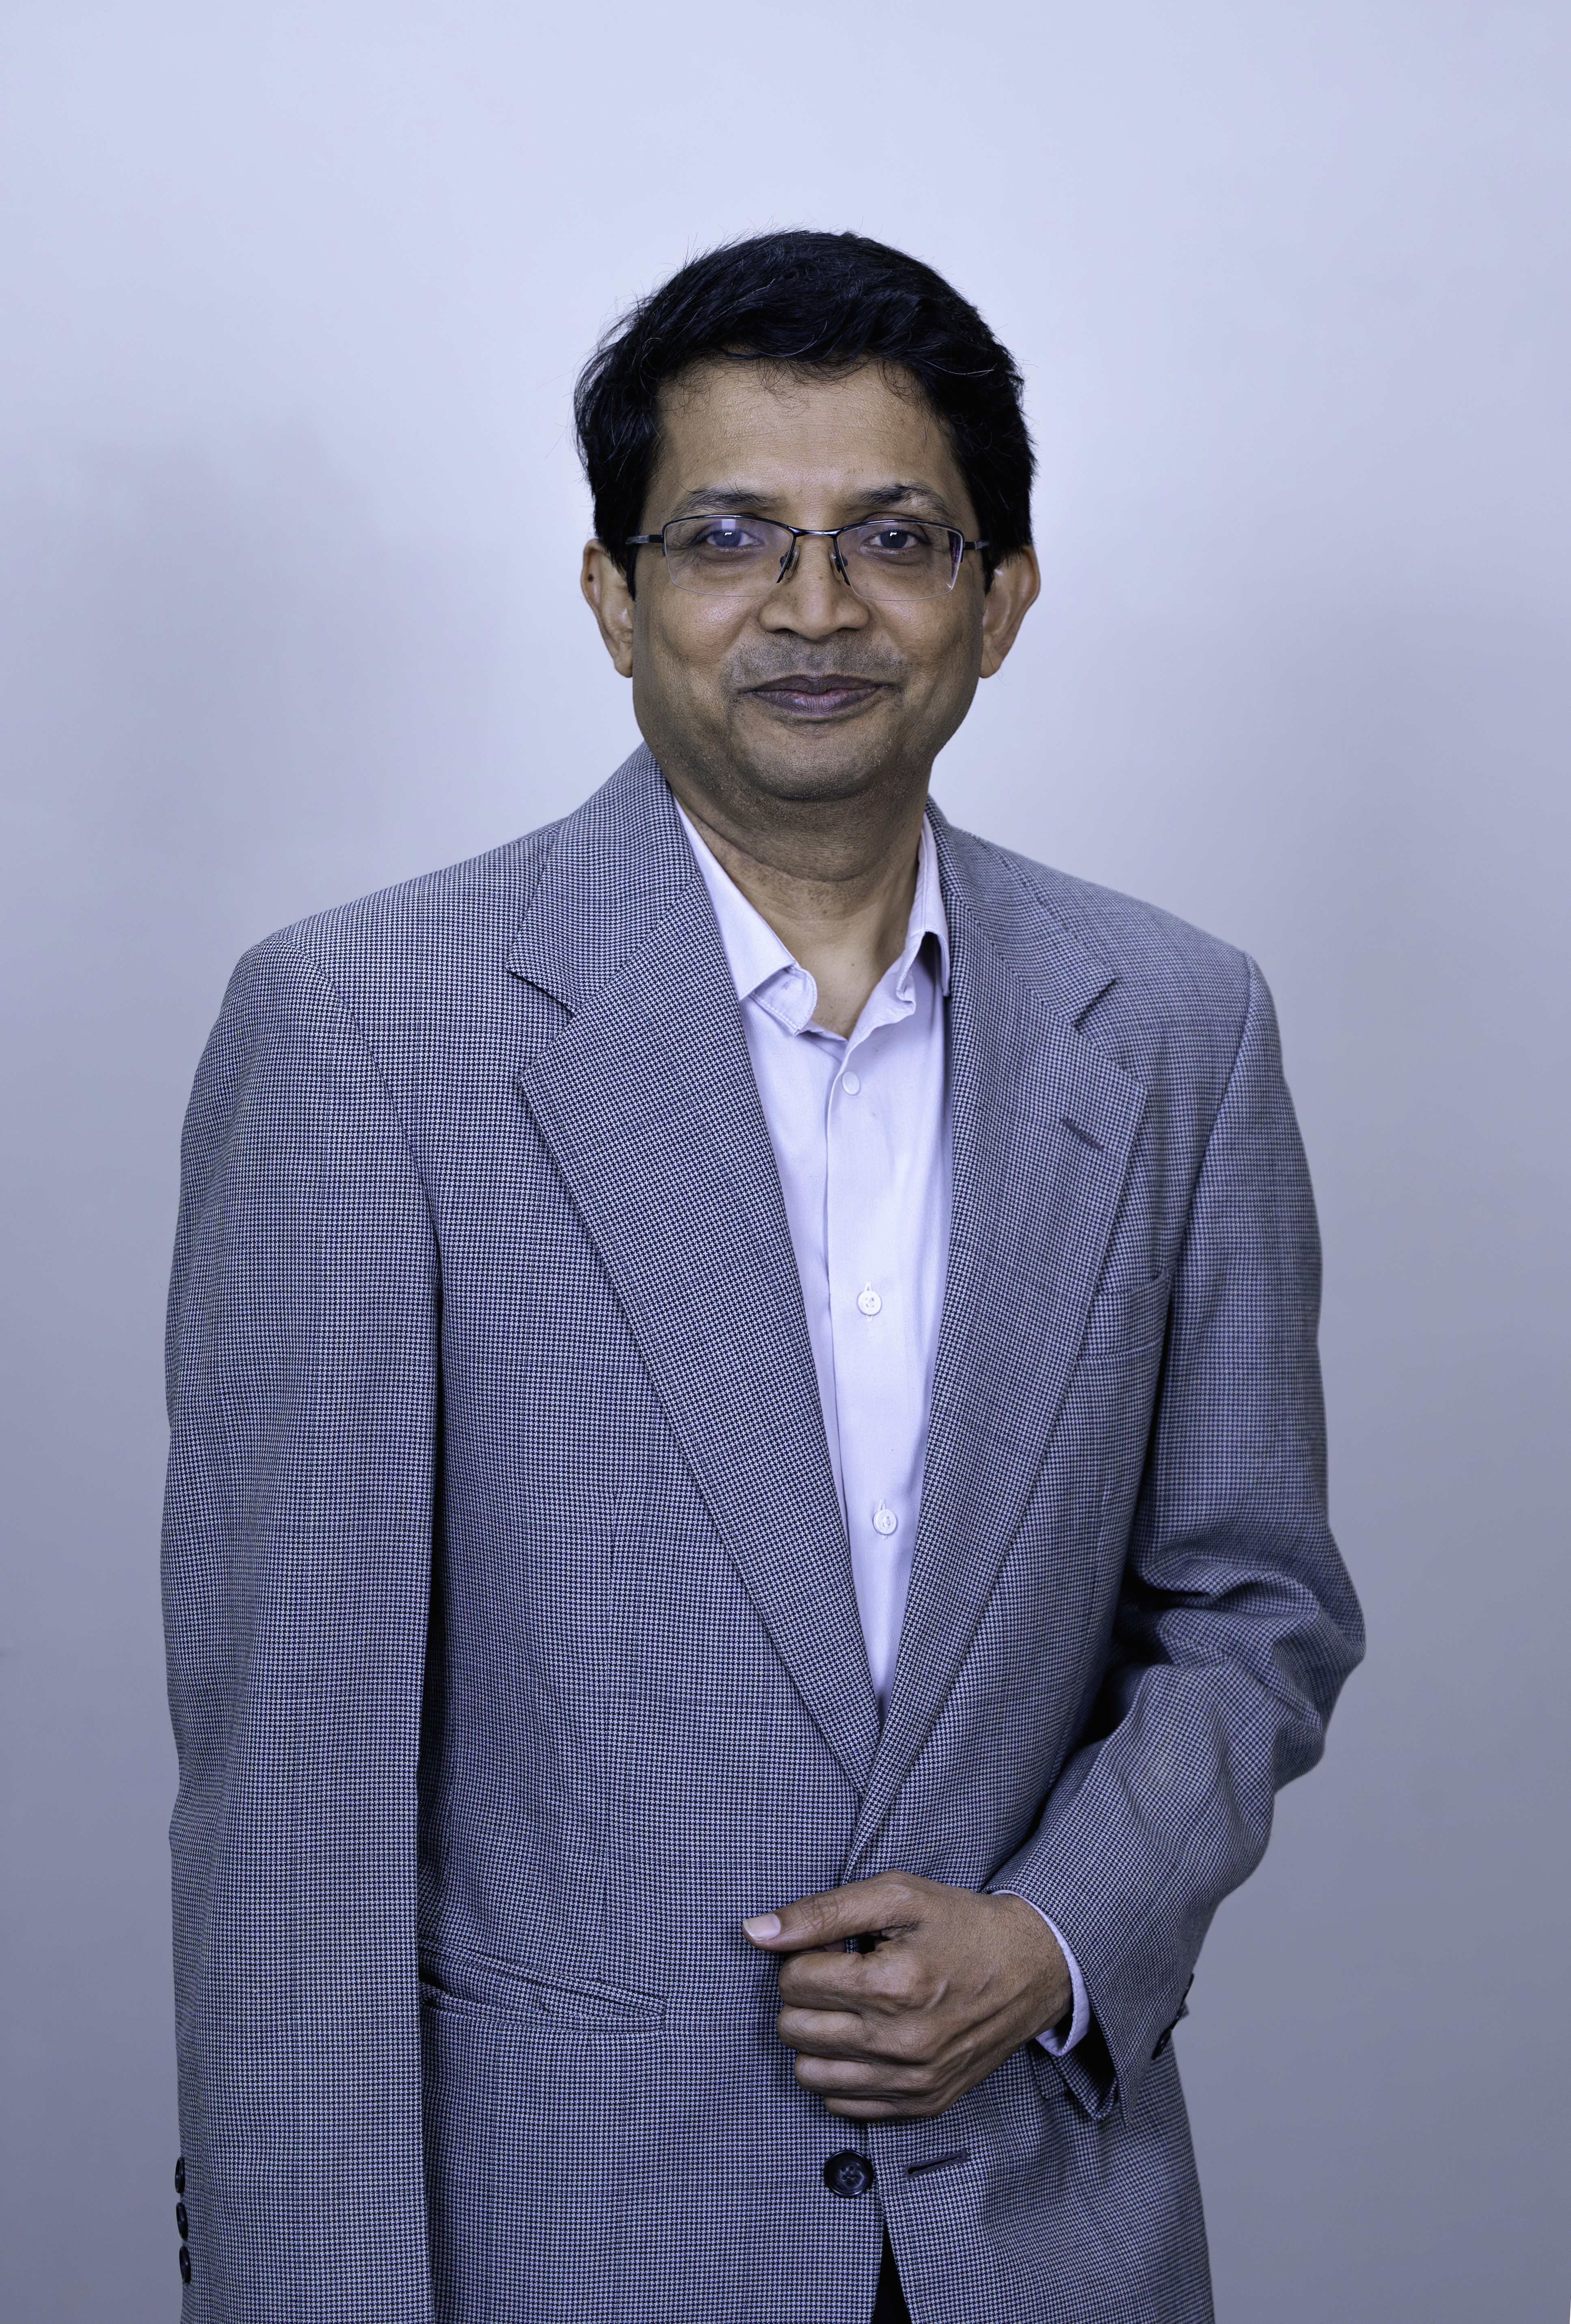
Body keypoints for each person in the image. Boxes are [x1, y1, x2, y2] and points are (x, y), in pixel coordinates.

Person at [162, 229, 1363, 2324]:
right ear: (616, 597)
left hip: (1048, 2244)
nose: (815, 608)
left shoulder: (1176, 1025)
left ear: (1002, 601)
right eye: (730, 537)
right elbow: (293, 1821)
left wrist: (1060, 1936)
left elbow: (1254, 1605)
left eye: (893, 537)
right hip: (568, 2250)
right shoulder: (363, 1028)